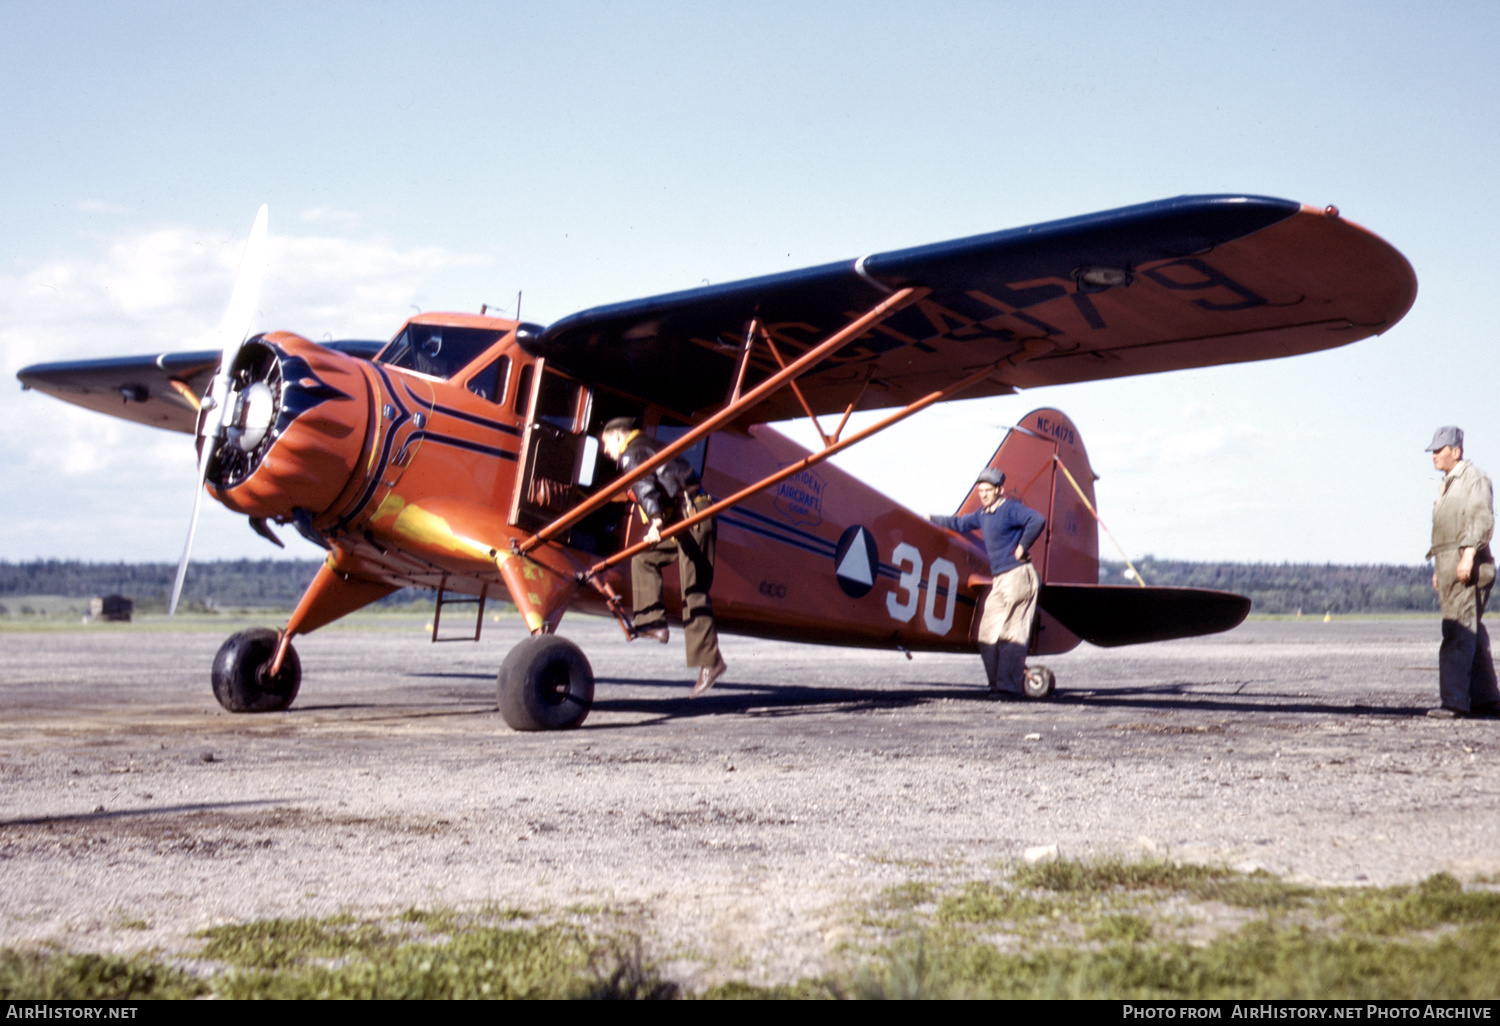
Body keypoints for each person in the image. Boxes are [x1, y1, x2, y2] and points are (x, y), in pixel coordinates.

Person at [600, 417, 727, 697]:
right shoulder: (648, 445)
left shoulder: (631, 453)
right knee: (644, 559)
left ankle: (711, 662)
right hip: (686, 518)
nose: (607, 453)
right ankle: (652, 623)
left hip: (693, 517)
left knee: (693, 590)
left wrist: (655, 521)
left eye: (607, 445)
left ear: (618, 438)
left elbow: (644, 485)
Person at [930, 468, 1046, 698]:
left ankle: (1008, 688)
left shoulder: (1010, 509)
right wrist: (929, 519)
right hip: (1000, 579)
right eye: (980, 490)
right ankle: (998, 686)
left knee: (1012, 635)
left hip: (1018, 576)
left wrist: (1023, 546)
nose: (982, 495)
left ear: (999, 490)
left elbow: (1037, 519)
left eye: (987, 490)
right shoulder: (983, 514)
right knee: (987, 634)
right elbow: (959, 524)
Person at [1425, 426, 1500, 719]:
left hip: (1466, 564)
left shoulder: (1474, 479)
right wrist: (1439, 569)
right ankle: (1486, 699)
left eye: (1439, 449)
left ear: (1455, 451)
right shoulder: (1449, 482)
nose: (1433, 455)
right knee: (1470, 629)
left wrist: (1468, 556)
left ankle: (1454, 701)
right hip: (1450, 565)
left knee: (1457, 631)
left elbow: (1481, 520)